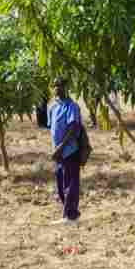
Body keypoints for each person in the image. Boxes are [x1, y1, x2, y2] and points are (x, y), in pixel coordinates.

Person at [47, 77, 83, 226]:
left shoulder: (72, 106)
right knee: (61, 184)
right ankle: (70, 214)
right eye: (54, 85)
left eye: (60, 85)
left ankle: (71, 216)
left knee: (71, 183)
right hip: (58, 152)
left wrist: (61, 147)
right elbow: (52, 129)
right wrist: (55, 149)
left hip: (69, 150)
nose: (57, 88)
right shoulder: (53, 107)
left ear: (66, 88)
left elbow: (74, 128)